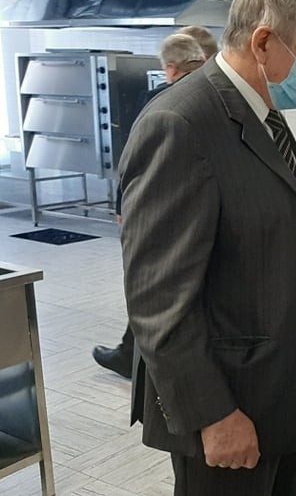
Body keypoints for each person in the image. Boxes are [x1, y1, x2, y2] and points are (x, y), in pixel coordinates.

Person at [119, 0, 296, 495]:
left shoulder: (260, 112)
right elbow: (157, 298)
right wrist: (214, 415)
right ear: (264, 41)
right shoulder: (181, 123)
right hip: (229, 404)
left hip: (278, 389)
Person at [94, 32, 209, 379]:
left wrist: (122, 204)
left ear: (170, 68)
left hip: (160, 209)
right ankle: (136, 352)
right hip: (205, 209)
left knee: (150, 281)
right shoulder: (220, 93)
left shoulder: (159, 99)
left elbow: (134, 157)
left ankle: (138, 357)